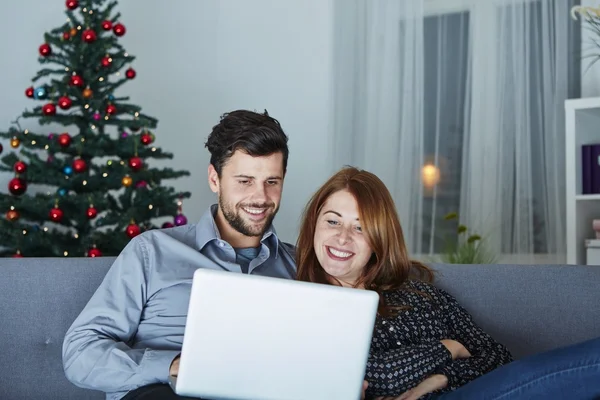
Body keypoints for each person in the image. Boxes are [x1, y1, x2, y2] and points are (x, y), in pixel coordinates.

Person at [296, 166, 600, 400]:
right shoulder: (310, 306)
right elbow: (375, 376)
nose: (343, 237)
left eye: (360, 228)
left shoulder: (421, 294)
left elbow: (496, 356)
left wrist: (439, 379)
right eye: (332, 221)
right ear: (315, 225)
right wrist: (449, 347)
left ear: (378, 241)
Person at [62, 110, 297, 400]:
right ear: (215, 179)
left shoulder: (297, 265)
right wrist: (174, 366)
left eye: (272, 182)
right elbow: (80, 352)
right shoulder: (151, 251)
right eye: (245, 181)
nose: (260, 197)